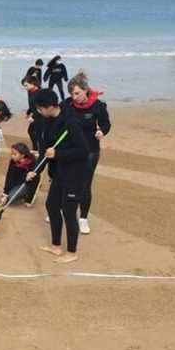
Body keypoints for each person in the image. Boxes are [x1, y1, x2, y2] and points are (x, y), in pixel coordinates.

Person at [27, 89, 89, 263]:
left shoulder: (71, 122)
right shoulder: (48, 121)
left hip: (74, 173)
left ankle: (71, 252)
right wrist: (35, 170)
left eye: (40, 108)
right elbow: (45, 151)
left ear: (48, 107)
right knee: (52, 205)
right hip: (59, 172)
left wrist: (58, 154)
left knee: (69, 212)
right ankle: (56, 246)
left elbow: (83, 151)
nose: (38, 112)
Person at [64, 71, 111, 234]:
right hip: (70, 149)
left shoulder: (98, 105)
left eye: (77, 93)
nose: (74, 97)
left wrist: (102, 132)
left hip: (90, 150)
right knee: (67, 180)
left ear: (85, 90)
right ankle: (64, 210)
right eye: (71, 93)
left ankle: (83, 218)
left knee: (84, 184)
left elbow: (106, 124)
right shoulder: (67, 104)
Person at [1, 143, 40, 207]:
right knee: (8, 198)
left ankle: (26, 195)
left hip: (27, 184)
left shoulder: (32, 163)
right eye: (11, 154)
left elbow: (35, 181)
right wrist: (5, 192)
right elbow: (9, 176)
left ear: (22, 155)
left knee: (11, 197)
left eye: (14, 154)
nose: (12, 156)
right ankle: (15, 193)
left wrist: (29, 200)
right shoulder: (13, 161)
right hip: (16, 183)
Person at [22, 76, 43, 151]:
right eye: (24, 86)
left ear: (33, 84)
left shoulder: (40, 93)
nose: (25, 88)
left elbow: (40, 108)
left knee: (37, 132)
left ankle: (39, 150)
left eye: (26, 85)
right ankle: (36, 148)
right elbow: (32, 105)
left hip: (42, 116)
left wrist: (33, 117)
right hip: (36, 115)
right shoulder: (30, 92)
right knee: (32, 131)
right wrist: (28, 112)